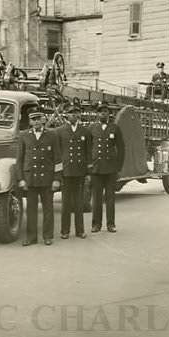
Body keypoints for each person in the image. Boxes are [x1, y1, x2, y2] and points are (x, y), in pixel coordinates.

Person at [17, 110, 60, 246]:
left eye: (38, 119)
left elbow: (58, 160)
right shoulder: (23, 135)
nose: (36, 121)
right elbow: (19, 159)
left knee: (48, 209)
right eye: (33, 119)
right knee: (31, 210)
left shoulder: (52, 135)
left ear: (43, 120)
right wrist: (21, 179)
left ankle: (47, 236)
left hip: (47, 178)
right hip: (30, 178)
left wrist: (56, 179)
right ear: (30, 122)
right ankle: (31, 237)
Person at [88, 102, 125, 233]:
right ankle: (96, 224)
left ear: (109, 114)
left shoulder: (115, 128)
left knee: (110, 198)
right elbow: (87, 148)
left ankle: (111, 224)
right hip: (96, 169)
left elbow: (121, 148)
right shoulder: (92, 128)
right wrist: (89, 166)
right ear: (97, 114)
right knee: (97, 198)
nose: (103, 114)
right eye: (101, 112)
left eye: (105, 111)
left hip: (110, 169)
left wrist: (118, 166)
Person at [56, 105, 91, 239]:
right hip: (66, 171)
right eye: (72, 113)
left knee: (79, 202)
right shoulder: (60, 131)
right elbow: (58, 154)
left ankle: (80, 230)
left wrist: (88, 173)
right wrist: (58, 173)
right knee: (66, 203)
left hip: (80, 171)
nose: (74, 115)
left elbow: (88, 153)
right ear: (66, 115)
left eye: (77, 113)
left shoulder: (85, 132)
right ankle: (65, 231)